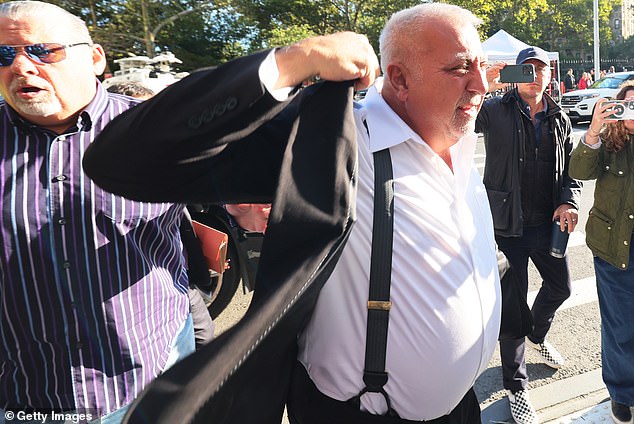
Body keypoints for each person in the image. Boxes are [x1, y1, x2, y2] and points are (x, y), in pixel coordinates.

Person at [84, 4, 500, 424]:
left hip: (461, 407)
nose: (480, 84)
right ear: (399, 79)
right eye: (459, 68)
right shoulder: (341, 142)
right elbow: (123, 160)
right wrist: (294, 61)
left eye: (482, 65)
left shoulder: (461, 142)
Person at [0, 2, 198, 422]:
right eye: (3, 55)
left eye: (42, 50)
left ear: (94, 58)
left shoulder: (157, 133)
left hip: (153, 381)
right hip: (25, 395)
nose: (21, 66)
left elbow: (241, 201)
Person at [477, 46, 582, 424]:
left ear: (550, 76)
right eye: (526, 69)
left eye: (540, 70)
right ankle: (516, 385)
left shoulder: (560, 117)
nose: (534, 76)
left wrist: (569, 200)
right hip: (508, 227)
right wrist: (479, 83)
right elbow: (456, 120)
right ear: (514, 75)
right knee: (513, 306)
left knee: (562, 288)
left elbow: (572, 172)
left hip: (547, 225)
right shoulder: (493, 110)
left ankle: (537, 335)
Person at [105, 81, 215, 351]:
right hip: (136, 295)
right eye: (141, 114)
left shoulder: (164, 158)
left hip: (180, 278)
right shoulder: (106, 170)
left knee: (204, 341)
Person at [569, 81, 634, 424]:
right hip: (612, 246)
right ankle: (622, 393)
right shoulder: (609, 140)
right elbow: (578, 171)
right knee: (619, 325)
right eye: (627, 105)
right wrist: (594, 129)